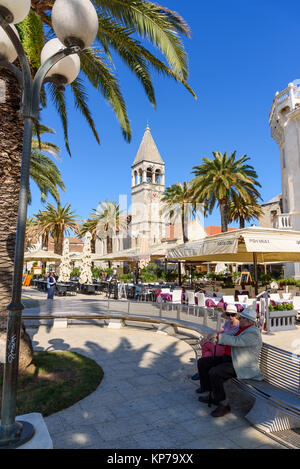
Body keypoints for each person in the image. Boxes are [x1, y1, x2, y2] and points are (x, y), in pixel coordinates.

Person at [197, 307, 264, 418]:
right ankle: (212, 394)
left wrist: (219, 337)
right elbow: (229, 335)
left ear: (248, 320)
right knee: (203, 362)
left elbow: (237, 341)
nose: (239, 319)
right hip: (230, 359)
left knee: (215, 372)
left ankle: (223, 404)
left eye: (241, 318)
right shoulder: (241, 328)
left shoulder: (253, 333)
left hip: (241, 365)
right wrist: (214, 336)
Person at [193, 304, 240, 386]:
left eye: (233, 315)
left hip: (226, 347)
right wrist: (209, 336)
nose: (230, 317)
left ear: (236, 315)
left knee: (205, 345)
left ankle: (201, 373)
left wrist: (212, 338)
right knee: (208, 353)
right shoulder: (228, 323)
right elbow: (220, 331)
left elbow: (228, 335)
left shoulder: (238, 326)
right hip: (221, 345)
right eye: (228, 314)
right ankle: (203, 373)